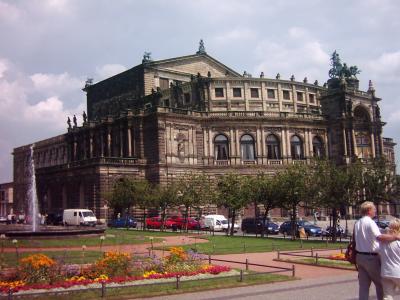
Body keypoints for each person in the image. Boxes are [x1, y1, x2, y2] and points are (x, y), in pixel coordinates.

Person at [354, 201, 400, 300]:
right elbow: (380, 237)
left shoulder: (357, 222)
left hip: (360, 257)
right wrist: (396, 237)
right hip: (371, 257)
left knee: (363, 286)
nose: (375, 211)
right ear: (369, 210)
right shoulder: (370, 222)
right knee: (381, 285)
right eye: (374, 209)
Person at [378, 219, 400, 300]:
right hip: (398, 271)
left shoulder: (382, 243)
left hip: (386, 271)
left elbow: (379, 254)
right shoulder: (398, 242)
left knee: (387, 296)